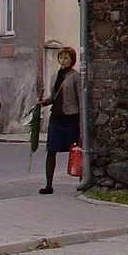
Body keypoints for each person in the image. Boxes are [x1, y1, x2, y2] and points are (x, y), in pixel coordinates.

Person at [40, 48, 82, 194]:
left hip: (71, 117)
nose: (63, 61)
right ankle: (48, 185)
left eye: (66, 58)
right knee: (51, 150)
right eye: (61, 58)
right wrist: (45, 102)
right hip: (56, 117)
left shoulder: (76, 76)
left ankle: (82, 181)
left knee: (78, 150)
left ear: (72, 60)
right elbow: (54, 96)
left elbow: (80, 99)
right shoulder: (54, 76)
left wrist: (81, 121)